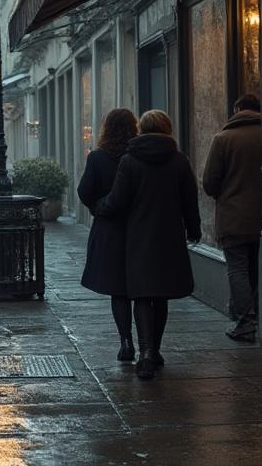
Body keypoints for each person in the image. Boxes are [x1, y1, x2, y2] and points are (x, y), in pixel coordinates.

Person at [95, 110, 201, 381]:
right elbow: (190, 199)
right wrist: (194, 229)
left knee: (142, 294)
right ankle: (155, 349)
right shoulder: (179, 160)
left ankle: (145, 355)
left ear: (141, 129)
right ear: (167, 129)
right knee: (161, 295)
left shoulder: (131, 160)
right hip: (170, 236)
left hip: (139, 236)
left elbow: (117, 199)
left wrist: (101, 208)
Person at [79, 108, 140, 363]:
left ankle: (126, 341)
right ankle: (149, 345)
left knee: (120, 291)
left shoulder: (97, 157)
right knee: (145, 289)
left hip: (110, 230)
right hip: (140, 228)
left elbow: (84, 192)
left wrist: (98, 208)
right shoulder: (138, 155)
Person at [202, 93, 262, 342]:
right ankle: (258, 315)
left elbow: (209, 182)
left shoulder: (223, 139)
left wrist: (225, 194)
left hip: (233, 217)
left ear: (237, 109)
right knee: (257, 268)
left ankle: (246, 321)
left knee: (237, 268)